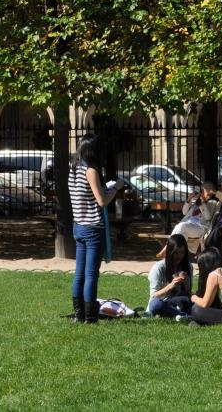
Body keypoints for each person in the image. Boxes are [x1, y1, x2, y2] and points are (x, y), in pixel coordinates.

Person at [70, 134, 127, 323]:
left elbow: (88, 195)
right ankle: (90, 317)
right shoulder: (91, 170)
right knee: (91, 274)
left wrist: (106, 188)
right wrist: (116, 187)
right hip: (93, 227)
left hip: (79, 225)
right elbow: (101, 201)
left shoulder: (74, 169)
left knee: (80, 273)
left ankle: (79, 314)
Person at [147, 233, 194, 319]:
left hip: (180, 303)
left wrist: (187, 286)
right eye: (176, 253)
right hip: (164, 303)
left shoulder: (188, 266)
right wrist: (170, 286)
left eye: (182, 252)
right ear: (170, 252)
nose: (179, 256)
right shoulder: (159, 267)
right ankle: (187, 317)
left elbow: (188, 296)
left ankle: (180, 315)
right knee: (156, 305)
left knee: (200, 301)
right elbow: (154, 296)